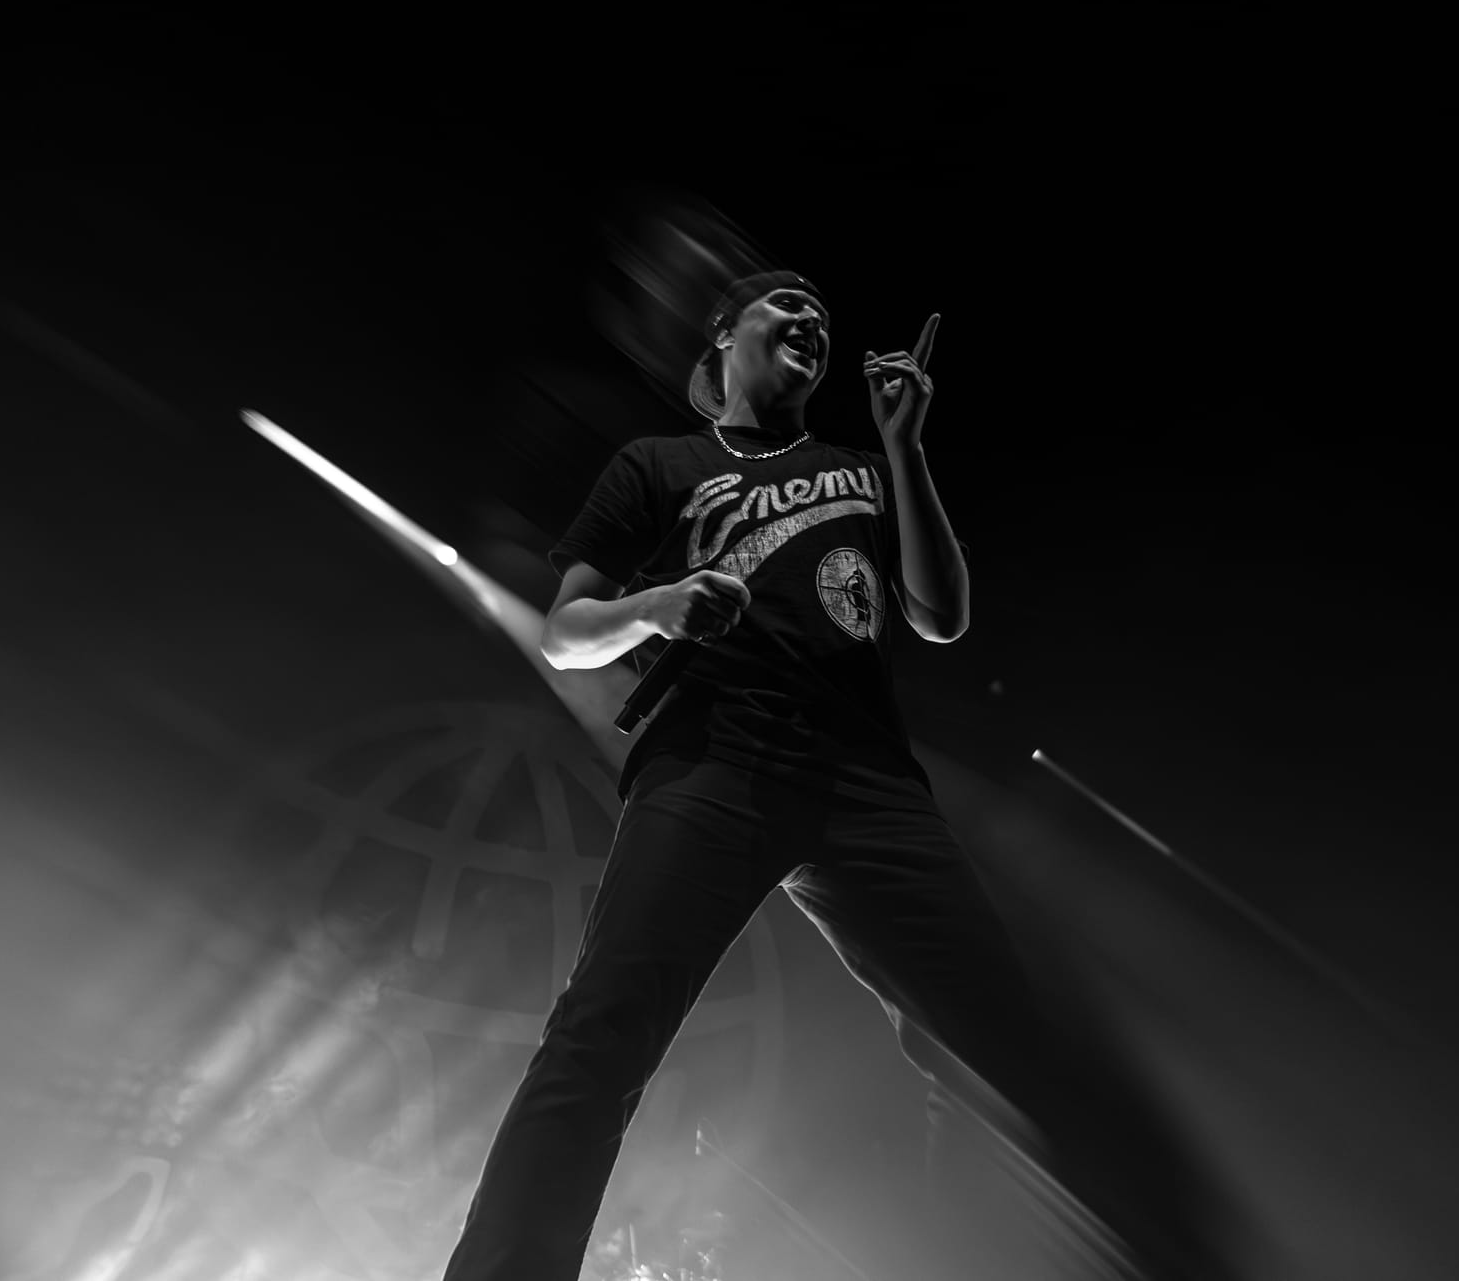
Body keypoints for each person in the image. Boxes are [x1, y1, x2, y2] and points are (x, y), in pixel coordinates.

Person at [441, 271, 1225, 1280]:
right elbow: (564, 632)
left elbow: (939, 614)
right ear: (723, 335)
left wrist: (904, 446)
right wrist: (658, 606)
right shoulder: (661, 464)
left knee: (1008, 1032)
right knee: (602, 1032)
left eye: (820, 312)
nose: (811, 318)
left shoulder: (858, 467)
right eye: (785, 304)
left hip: (866, 781)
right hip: (713, 764)